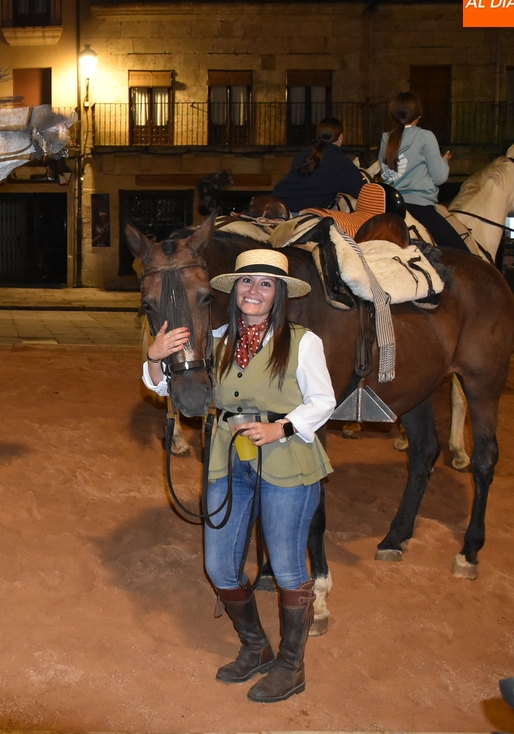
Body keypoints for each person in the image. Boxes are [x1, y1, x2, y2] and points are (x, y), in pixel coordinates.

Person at [142, 249, 335, 703]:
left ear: (279, 294)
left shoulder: (303, 342)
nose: (254, 291)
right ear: (234, 290)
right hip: (227, 458)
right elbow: (165, 384)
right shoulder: (216, 339)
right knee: (218, 565)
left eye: (266, 284)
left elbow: (323, 400)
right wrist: (153, 357)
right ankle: (256, 646)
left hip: (286, 458)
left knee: (287, 566)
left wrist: (280, 427)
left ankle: (291, 665)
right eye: (247, 282)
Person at [378, 92, 466, 250]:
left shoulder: (386, 138)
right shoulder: (425, 136)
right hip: (419, 207)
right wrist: (444, 162)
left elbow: (386, 174)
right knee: (461, 252)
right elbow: (439, 177)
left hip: (391, 208)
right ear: (418, 115)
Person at [272, 117, 365, 213]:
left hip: (275, 204)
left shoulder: (303, 153)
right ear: (341, 137)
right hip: (299, 210)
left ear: (318, 137)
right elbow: (363, 192)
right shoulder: (340, 160)